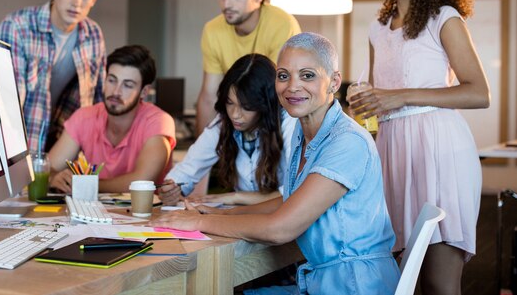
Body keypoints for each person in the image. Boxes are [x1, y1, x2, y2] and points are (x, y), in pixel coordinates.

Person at [152, 33, 400, 295]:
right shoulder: (303, 133)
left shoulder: (347, 142)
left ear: (334, 82)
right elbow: (290, 200)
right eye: (283, 76)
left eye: (307, 75)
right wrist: (219, 213)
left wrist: (198, 223)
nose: (292, 86)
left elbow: (281, 228)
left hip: (353, 286)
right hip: (318, 283)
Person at [348, 0, 490, 294]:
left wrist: (399, 96)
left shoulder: (444, 19)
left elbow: (478, 93)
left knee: (439, 283)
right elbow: (377, 102)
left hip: (439, 152)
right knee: (398, 279)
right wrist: (361, 108)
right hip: (391, 152)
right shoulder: (378, 28)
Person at [0, 0, 106, 155]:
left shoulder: (93, 34)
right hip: (20, 145)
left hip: (65, 148)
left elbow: (97, 103)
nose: (76, 3)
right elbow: (7, 104)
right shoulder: (18, 27)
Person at [159, 54, 296, 206]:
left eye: (246, 107)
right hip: (242, 218)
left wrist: (236, 197)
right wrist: (171, 188)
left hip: (280, 220)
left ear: (265, 105)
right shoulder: (222, 124)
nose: (235, 115)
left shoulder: (290, 124)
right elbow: (186, 170)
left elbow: (295, 194)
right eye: (230, 103)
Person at [48, 45, 176, 194]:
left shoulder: (158, 121)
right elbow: (47, 169)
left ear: (144, 92)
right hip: (92, 213)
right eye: (112, 80)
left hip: (145, 215)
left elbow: (142, 182)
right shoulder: (85, 117)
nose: (116, 92)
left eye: (127, 85)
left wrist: (83, 184)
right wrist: (54, 177)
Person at [196, 0, 301, 135]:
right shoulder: (212, 30)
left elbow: (279, 94)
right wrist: (202, 151)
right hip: (238, 123)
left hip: (280, 123)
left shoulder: (282, 24)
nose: (226, 4)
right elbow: (209, 97)